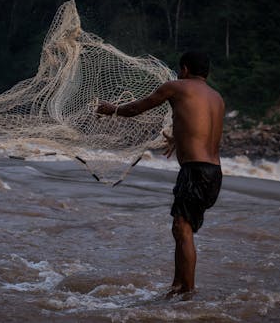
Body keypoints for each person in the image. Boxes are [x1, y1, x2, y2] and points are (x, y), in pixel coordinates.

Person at [96, 51, 224, 297]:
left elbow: (135, 109)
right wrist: (179, 138)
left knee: (182, 229)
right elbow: (206, 130)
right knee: (181, 228)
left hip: (195, 171)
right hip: (214, 173)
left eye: (180, 69)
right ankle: (178, 286)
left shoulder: (176, 87)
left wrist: (111, 109)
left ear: (185, 69)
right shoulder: (217, 98)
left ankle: (187, 292)